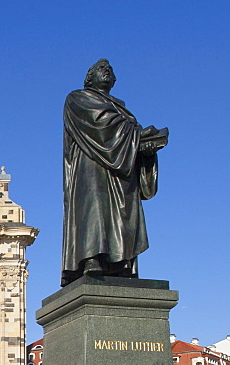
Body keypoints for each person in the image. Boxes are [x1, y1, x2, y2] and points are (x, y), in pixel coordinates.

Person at [61, 59, 168, 286]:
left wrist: (145, 149)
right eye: (102, 69)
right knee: (94, 211)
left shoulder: (121, 109)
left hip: (120, 173)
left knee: (121, 215)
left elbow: (125, 136)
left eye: (110, 71)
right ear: (90, 77)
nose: (107, 72)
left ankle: (120, 262)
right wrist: (138, 135)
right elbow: (100, 125)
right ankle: (90, 258)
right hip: (92, 167)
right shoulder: (78, 98)